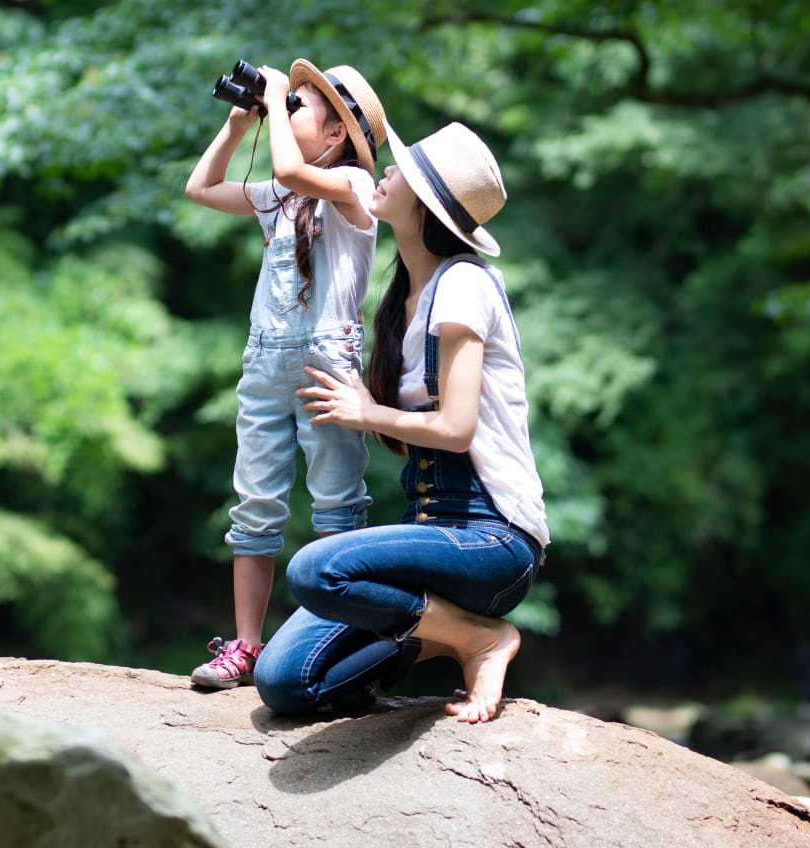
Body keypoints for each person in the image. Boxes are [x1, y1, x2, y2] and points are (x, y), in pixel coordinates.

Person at [252, 121, 548, 722]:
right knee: (286, 682)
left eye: (402, 172)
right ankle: (441, 632)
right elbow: (400, 432)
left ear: (427, 204)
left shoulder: (464, 284)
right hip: (431, 536)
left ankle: (480, 638)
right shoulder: (402, 296)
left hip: (490, 539)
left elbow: (456, 429)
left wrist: (366, 412)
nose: (386, 171)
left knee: (316, 568)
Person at [181, 61, 390, 690]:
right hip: (265, 362)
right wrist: (237, 124)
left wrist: (274, 93)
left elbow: (290, 170)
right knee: (256, 504)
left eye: (297, 106)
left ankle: (331, 639)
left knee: (335, 506)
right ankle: (246, 645)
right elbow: (201, 187)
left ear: (334, 136)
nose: (285, 109)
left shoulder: (353, 183)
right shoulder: (283, 196)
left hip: (326, 364)